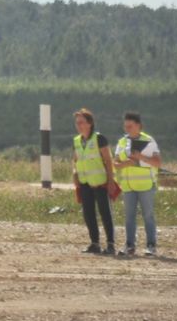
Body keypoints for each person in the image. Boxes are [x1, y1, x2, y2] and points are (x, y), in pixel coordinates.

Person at [70, 108, 117, 254]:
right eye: (77, 123)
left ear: (90, 123)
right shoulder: (77, 141)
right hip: (84, 183)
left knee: (105, 213)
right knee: (88, 213)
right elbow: (75, 160)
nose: (79, 125)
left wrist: (110, 181)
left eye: (82, 122)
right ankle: (94, 243)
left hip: (100, 182)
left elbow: (108, 161)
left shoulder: (99, 139)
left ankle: (110, 245)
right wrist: (74, 174)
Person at [115, 112, 161, 257]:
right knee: (129, 216)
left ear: (139, 126)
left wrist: (139, 157)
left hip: (145, 185)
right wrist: (126, 163)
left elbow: (157, 163)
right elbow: (115, 164)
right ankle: (129, 245)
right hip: (128, 186)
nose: (127, 128)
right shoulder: (122, 142)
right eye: (126, 126)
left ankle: (151, 245)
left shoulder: (149, 141)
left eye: (130, 126)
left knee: (148, 215)